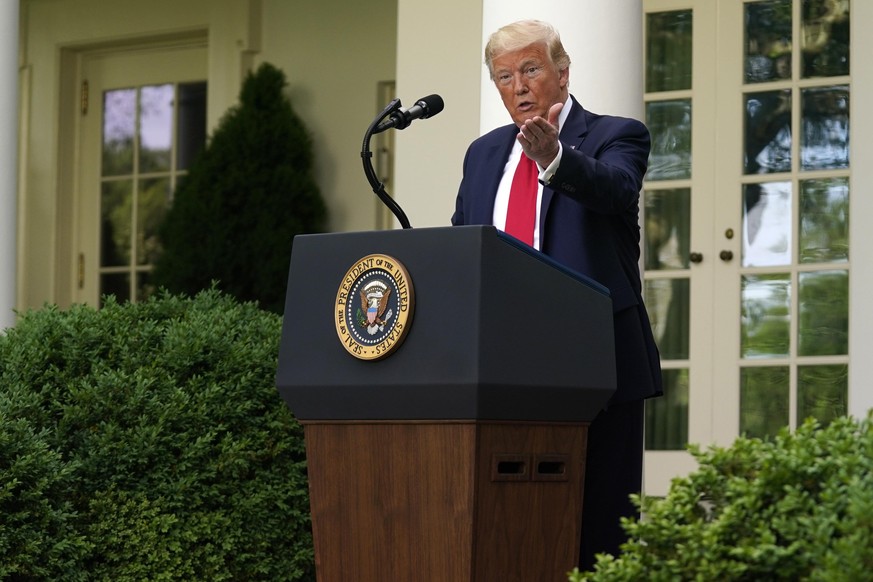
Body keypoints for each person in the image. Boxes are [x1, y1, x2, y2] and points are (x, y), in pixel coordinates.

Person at [451, 19, 663, 570]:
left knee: (600, 528)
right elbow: (462, 246)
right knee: (510, 522)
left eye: (530, 69)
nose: (518, 86)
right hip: (501, 365)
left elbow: (614, 189)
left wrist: (554, 159)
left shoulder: (617, 134)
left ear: (562, 73)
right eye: (504, 76)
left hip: (595, 360)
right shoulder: (482, 155)